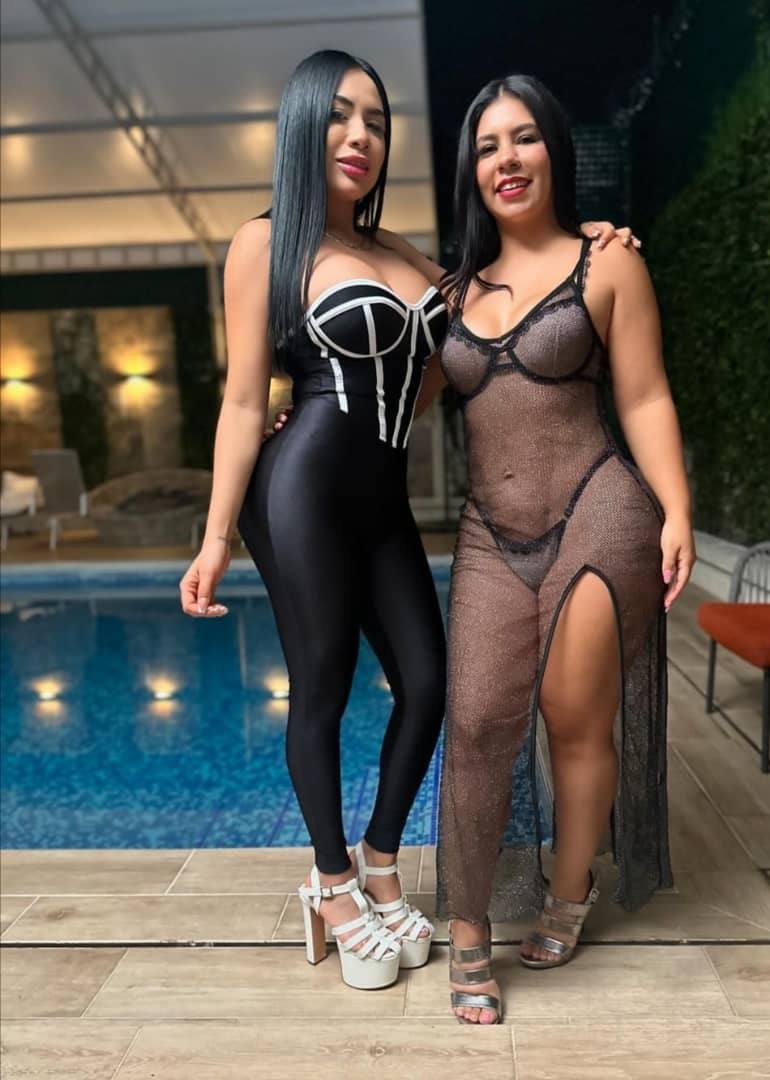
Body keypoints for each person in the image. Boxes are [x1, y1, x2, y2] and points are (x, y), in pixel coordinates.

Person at [183, 49, 635, 993]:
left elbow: (482, 321)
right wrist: (217, 537)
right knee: (323, 685)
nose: (361, 136)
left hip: (383, 499)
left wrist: (588, 243)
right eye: (340, 115)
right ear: (303, 126)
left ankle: (382, 859)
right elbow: (240, 401)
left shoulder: (405, 254)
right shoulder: (265, 243)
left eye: (377, 122)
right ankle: (332, 883)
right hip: (302, 490)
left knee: (430, 685)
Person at [422, 75, 695, 1024]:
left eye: (525, 137)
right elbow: (394, 401)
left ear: (555, 152)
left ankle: (568, 893)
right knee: (475, 722)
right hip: (491, 531)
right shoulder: (448, 295)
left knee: (573, 714)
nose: (507, 159)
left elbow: (645, 395)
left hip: (598, 507)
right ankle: (469, 926)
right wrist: (298, 410)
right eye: (488, 145)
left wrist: (676, 509)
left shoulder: (607, 263)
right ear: (471, 169)